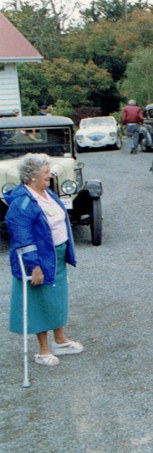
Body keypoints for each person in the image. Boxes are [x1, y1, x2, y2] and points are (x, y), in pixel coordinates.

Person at [6, 154, 81, 367]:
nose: (50, 175)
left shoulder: (46, 193)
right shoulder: (22, 201)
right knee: (39, 302)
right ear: (31, 176)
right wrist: (34, 266)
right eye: (45, 173)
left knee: (57, 298)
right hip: (39, 260)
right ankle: (43, 350)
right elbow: (22, 238)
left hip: (56, 256)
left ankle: (60, 341)